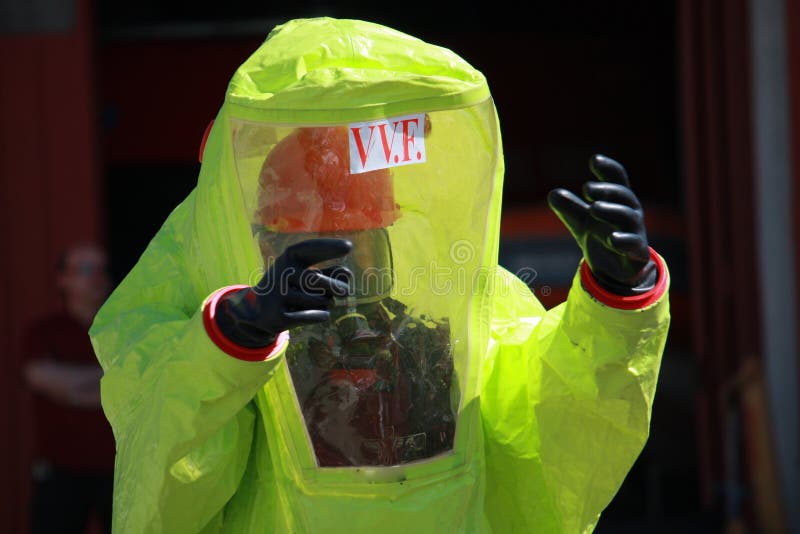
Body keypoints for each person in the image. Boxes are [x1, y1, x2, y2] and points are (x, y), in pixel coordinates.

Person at [89, 17, 670, 533]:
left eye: (366, 241)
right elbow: (162, 482)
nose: (347, 270)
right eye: (307, 242)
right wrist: (229, 343)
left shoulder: (451, 320)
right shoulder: (185, 300)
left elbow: (554, 426)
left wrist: (617, 302)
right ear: (255, 236)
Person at [22, 242, 115, 534]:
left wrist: (75, 387)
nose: (97, 276)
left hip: (121, 470)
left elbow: (146, 383)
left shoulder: (126, 327)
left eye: (102, 269)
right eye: (86, 269)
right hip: (59, 471)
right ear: (63, 279)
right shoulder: (43, 331)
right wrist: (111, 381)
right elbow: (41, 378)